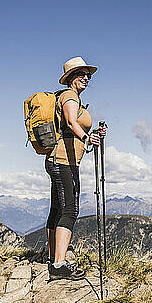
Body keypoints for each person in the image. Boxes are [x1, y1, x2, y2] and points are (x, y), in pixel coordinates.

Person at [45, 56, 105, 280]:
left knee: (57, 210)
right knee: (70, 210)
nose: (86, 78)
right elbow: (71, 122)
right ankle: (59, 264)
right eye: (81, 74)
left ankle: (53, 257)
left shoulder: (69, 97)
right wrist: (87, 138)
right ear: (71, 77)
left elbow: (73, 127)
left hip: (58, 160)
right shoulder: (70, 96)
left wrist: (91, 136)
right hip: (63, 161)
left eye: (88, 75)